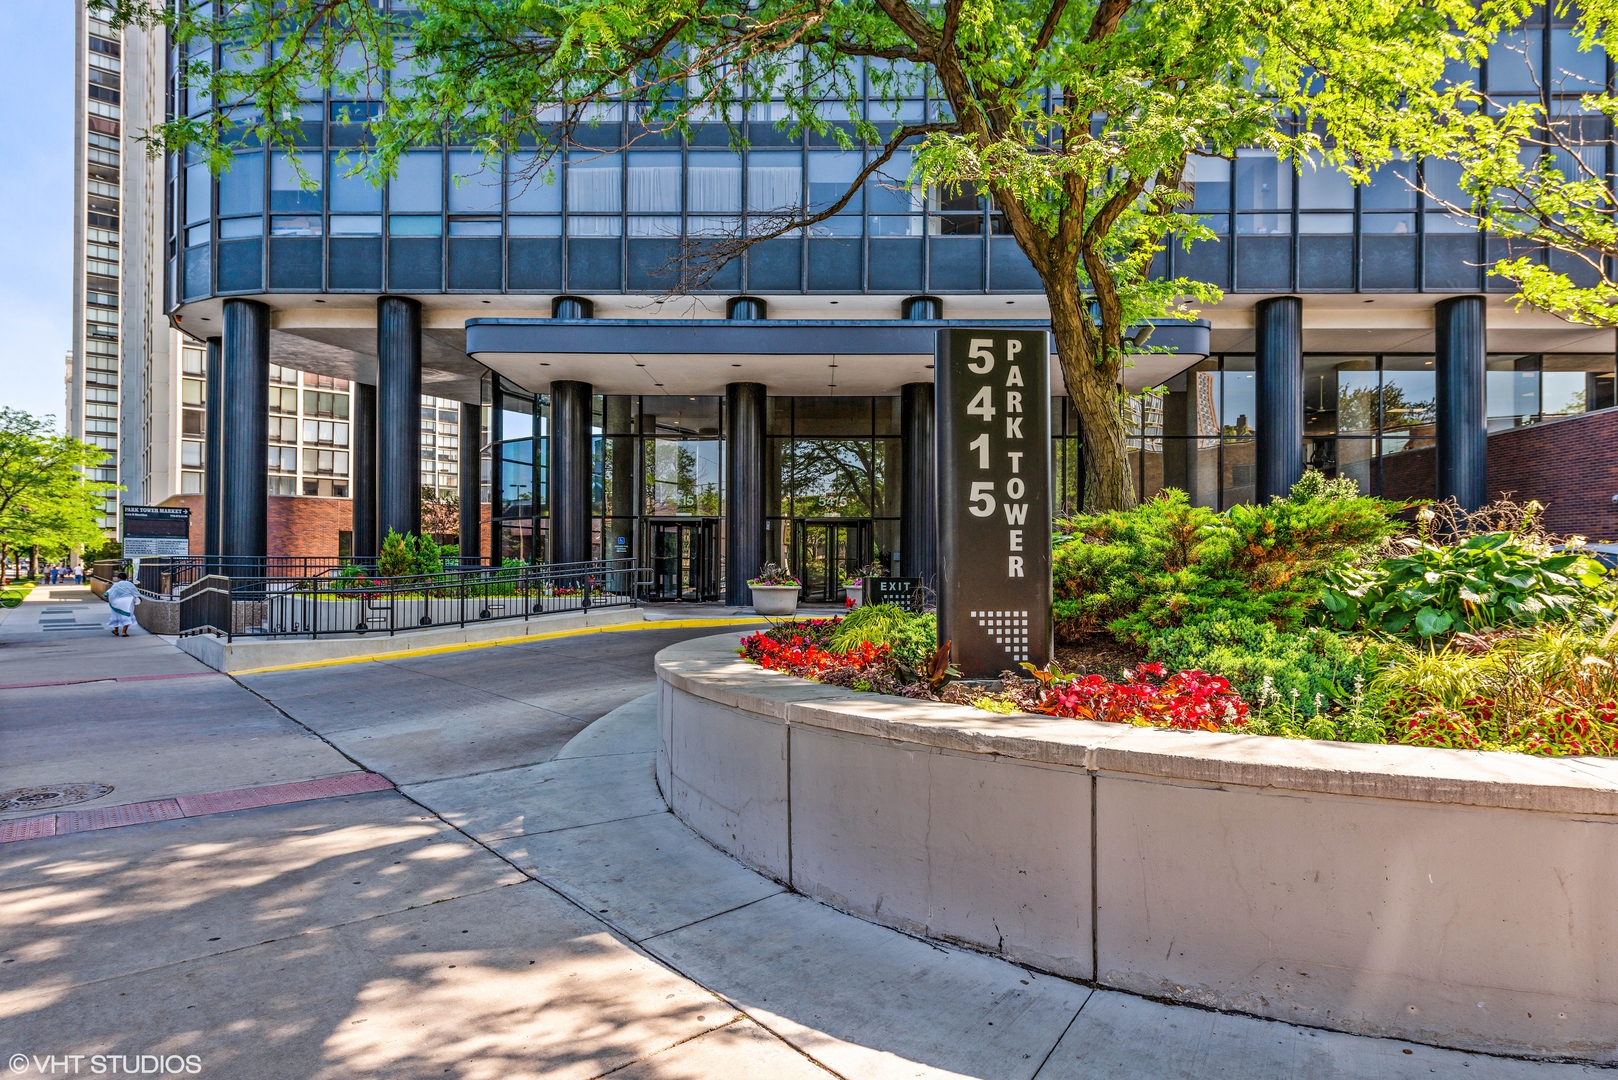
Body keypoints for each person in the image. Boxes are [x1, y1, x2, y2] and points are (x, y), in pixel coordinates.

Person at [104, 572, 140, 636]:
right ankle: (124, 632)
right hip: (128, 601)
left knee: (116, 615)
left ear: (118, 578)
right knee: (127, 615)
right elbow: (135, 591)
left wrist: (106, 594)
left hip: (117, 602)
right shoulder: (129, 584)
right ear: (126, 578)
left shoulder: (116, 585)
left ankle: (116, 631)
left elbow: (110, 591)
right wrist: (138, 597)